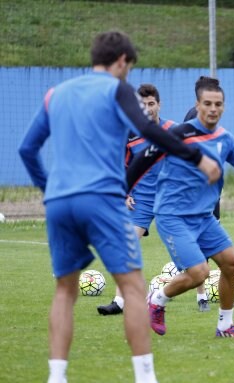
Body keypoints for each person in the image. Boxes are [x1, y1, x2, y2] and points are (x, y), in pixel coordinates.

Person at [18, 31, 220, 383]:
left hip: (60, 202)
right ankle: (145, 377)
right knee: (132, 288)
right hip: (103, 199)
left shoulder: (55, 94)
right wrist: (195, 157)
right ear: (122, 61)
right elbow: (148, 130)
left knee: (65, 290)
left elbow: (26, 149)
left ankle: (56, 376)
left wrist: (48, 188)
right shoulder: (117, 89)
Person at [128, 76, 234, 337]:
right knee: (199, 273)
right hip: (172, 217)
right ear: (198, 105)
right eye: (207, 103)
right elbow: (141, 160)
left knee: (231, 263)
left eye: (218, 104)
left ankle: (225, 326)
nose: (212, 108)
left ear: (223, 107)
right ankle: (157, 300)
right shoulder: (177, 135)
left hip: (203, 218)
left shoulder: (225, 139)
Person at [97, 83, 210, 316]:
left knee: (190, 244)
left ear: (159, 104)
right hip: (142, 200)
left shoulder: (175, 130)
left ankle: (202, 295)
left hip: (171, 199)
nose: (148, 109)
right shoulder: (129, 135)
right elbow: (121, 167)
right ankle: (119, 301)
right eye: (143, 105)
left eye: (151, 104)